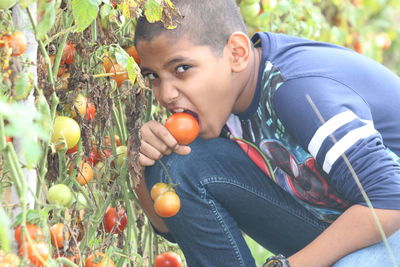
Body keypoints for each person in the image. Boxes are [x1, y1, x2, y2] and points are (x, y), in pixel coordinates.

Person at [133, 0, 400, 266]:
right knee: (179, 164)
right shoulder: (223, 102)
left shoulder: (295, 91)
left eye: (182, 69)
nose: (166, 94)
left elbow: (390, 200)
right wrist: (142, 163)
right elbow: (170, 225)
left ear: (236, 54)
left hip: (389, 213)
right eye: (153, 76)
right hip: (356, 222)